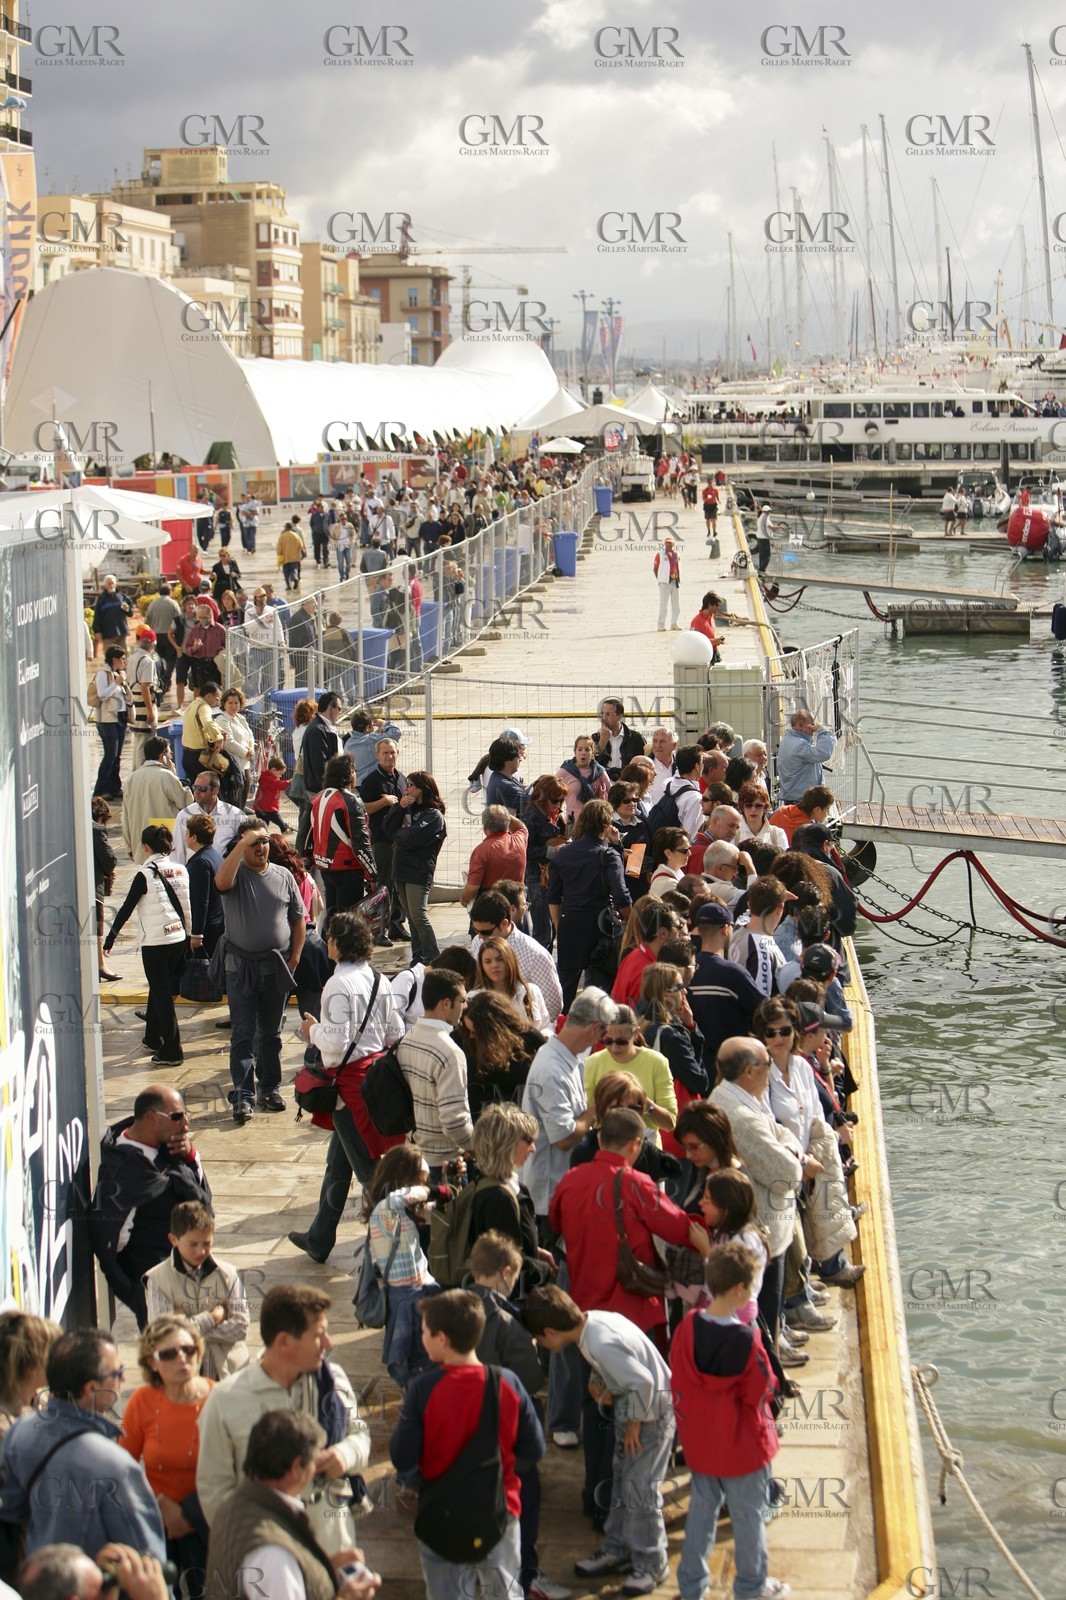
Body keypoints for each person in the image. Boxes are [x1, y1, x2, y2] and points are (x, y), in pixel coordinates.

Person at [390, 1290, 545, 1600]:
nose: (422, 1338)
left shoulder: (422, 1390)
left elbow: (401, 1456)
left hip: (442, 1516)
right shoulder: (509, 1383)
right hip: (499, 1512)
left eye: (424, 1332)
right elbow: (535, 1449)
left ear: (442, 1339)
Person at [523, 1283, 675, 1597]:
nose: (538, 1343)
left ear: (550, 1331)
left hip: (650, 1414)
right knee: (621, 1478)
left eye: (538, 1338)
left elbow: (643, 1382)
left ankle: (652, 1560)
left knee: (639, 1489)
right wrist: (600, 1379)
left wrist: (635, 1421)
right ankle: (619, 1546)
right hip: (633, 1407)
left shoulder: (598, 1340)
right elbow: (621, 1360)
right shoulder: (590, 1325)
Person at [196, 1285, 371, 1555]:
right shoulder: (224, 1401)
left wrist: (345, 1454)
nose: (328, 1344)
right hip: (266, 1557)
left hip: (332, 1549)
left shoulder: (333, 1379)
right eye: (318, 1336)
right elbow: (213, 1490)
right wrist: (250, 1544)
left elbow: (360, 1436)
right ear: (283, 1343)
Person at [671, 1243, 790, 1600]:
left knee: (702, 1514)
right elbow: (762, 1389)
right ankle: (752, 1587)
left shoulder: (689, 1326)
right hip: (742, 1449)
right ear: (739, 1289)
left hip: (703, 1445)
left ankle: (692, 1586)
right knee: (749, 1518)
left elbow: (678, 1373)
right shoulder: (747, 1339)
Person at [289, 912, 405, 1264]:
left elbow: (336, 1042)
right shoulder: (377, 978)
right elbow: (394, 1032)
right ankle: (319, 1237)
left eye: (329, 937)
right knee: (337, 1165)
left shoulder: (337, 985)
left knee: (369, 1172)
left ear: (338, 943)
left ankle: (399, 1244)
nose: (326, 942)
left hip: (347, 1092)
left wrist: (312, 1032)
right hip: (371, 1082)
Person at [0, 1331, 166, 1561]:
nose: (124, 1380)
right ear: (90, 1389)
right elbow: (148, 1563)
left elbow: (12, 1515)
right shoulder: (115, 1467)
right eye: (117, 1373)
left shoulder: (19, 1432)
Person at [468, 1233, 568, 1600]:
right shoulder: (507, 1324)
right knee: (523, 1509)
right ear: (506, 1273)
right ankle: (527, 1578)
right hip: (508, 1441)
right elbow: (531, 1378)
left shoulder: (453, 1307)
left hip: (465, 1439)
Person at [205, 1410, 381, 1600]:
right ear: (296, 1467)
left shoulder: (234, 1504)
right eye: (314, 1459)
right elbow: (279, 1574)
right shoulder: (274, 1556)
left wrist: (322, 1570)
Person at [90, 1084, 211, 1328]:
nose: (185, 1125)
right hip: (158, 1293)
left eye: (186, 1116)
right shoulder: (124, 1171)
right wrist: (136, 1295)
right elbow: (110, 1245)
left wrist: (190, 1156)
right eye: (177, 1117)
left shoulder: (169, 1146)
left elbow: (204, 1205)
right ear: (151, 1118)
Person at [710, 1038, 805, 1342]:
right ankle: (771, 1375)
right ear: (750, 1071)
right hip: (764, 1233)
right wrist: (795, 1153)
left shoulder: (736, 1097)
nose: (770, 1069)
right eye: (766, 1065)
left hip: (764, 1230)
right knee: (764, 1318)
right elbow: (788, 1173)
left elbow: (780, 1131)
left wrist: (788, 1145)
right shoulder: (741, 1116)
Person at [215, 818, 307, 1124]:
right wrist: (243, 842)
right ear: (242, 846)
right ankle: (243, 1095)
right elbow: (220, 883)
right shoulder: (235, 874)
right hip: (240, 969)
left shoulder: (283, 875)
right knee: (243, 1033)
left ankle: (270, 1087)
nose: (261, 847)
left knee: (271, 1034)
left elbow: (298, 920)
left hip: (276, 967)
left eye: (264, 841)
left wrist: (294, 958)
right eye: (254, 842)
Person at [119, 1315, 214, 1597]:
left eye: (189, 1349)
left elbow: (236, 1470)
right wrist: (161, 1503)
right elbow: (123, 1466)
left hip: (207, 1522)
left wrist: (190, 1513)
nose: (182, 1359)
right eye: (169, 1354)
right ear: (152, 1363)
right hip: (155, 1521)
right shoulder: (142, 1401)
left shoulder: (219, 1398)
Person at [104, 825, 190, 1066]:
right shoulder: (181, 869)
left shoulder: (144, 874)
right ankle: (152, 1037)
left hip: (155, 942)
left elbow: (126, 908)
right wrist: (191, 934)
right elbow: (187, 905)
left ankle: (172, 1050)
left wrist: (109, 939)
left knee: (161, 994)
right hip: (178, 938)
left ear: (145, 846)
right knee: (159, 988)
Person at [362, 1144, 444, 1389]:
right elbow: (405, 1197)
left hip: (419, 1292)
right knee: (417, 1361)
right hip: (405, 1298)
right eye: (420, 1181)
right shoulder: (386, 1210)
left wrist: (453, 1178)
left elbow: (437, 1213)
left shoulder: (401, 1212)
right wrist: (437, 1190)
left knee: (426, 1357)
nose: (423, 1186)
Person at [547, 799, 632, 1010]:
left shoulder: (563, 853)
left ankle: (562, 1028)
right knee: (599, 989)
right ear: (605, 825)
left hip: (571, 924)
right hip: (601, 925)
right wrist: (631, 922)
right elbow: (621, 895)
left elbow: (554, 897)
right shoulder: (609, 854)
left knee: (565, 989)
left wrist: (559, 927)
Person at [397, 967, 473, 1184]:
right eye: (462, 1001)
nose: (465, 1007)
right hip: (443, 1164)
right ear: (445, 1003)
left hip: (413, 1156)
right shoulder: (449, 1052)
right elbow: (454, 1121)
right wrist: (478, 1147)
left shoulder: (408, 1039)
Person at [688, 902, 765, 1077]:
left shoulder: (685, 972)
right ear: (725, 930)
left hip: (695, 1068)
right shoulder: (735, 974)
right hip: (733, 1069)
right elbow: (764, 1012)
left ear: (699, 931)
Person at [380, 769, 447, 962]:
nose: (406, 788)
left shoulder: (434, 815)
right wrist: (399, 808)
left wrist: (398, 835)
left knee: (419, 915)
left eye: (410, 785)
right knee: (411, 917)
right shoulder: (406, 808)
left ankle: (434, 958)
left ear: (422, 789)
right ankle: (418, 957)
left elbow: (412, 837)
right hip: (400, 867)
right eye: (406, 784)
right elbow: (387, 828)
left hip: (419, 870)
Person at [470, 889, 564, 1023]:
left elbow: (553, 1007)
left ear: (504, 923)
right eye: (476, 930)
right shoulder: (478, 942)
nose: (479, 936)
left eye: (485, 932)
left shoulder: (535, 955)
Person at [583, 1009, 676, 1146]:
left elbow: (669, 1123)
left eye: (621, 1042)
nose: (614, 1048)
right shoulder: (592, 1063)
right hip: (607, 1146)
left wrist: (645, 1104)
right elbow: (586, 1117)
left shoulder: (656, 1062)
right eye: (607, 1041)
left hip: (645, 1148)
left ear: (636, 1034)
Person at [636, 963, 709, 1134]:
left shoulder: (642, 1024)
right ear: (664, 994)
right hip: (673, 1127)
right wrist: (692, 1028)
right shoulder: (670, 1037)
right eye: (679, 987)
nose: (685, 992)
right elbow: (700, 1081)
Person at [311, 753, 374, 928]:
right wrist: (372, 874)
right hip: (348, 868)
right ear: (349, 773)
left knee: (331, 917)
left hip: (326, 867)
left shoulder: (317, 797)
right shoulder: (351, 801)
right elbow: (361, 841)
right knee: (347, 922)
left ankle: (327, 953)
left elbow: (305, 835)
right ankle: (341, 954)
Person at [359, 737, 409, 945]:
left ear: (398, 753)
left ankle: (397, 924)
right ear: (377, 755)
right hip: (382, 841)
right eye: (385, 753)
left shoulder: (402, 778)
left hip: (401, 840)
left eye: (392, 752)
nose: (390, 756)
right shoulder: (371, 781)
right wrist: (384, 801)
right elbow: (365, 809)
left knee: (399, 885)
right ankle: (380, 931)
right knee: (384, 887)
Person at [520, 777, 567, 949]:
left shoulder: (555, 815)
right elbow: (525, 849)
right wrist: (554, 851)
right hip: (536, 878)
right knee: (542, 931)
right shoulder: (531, 818)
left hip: (550, 876)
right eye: (555, 800)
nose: (559, 804)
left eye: (562, 800)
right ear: (542, 797)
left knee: (550, 928)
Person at [729, 876, 796, 997]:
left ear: (749, 904)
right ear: (780, 908)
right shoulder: (762, 948)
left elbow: (747, 914)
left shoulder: (738, 927)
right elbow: (761, 1002)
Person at [471, 936, 550, 1034]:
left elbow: (547, 1026)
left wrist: (544, 1036)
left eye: (500, 959)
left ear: (510, 960)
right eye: (488, 962)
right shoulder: (473, 999)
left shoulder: (531, 991)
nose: (494, 965)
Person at [172, 770, 244, 866]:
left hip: (225, 876)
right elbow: (178, 852)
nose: (196, 792)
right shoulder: (184, 815)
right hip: (193, 876)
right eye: (195, 787)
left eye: (202, 789)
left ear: (215, 790)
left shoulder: (236, 816)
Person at [461, 807, 529, 907]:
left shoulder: (481, 851)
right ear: (507, 824)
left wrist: (464, 899)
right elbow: (521, 827)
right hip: (516, 904)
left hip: (491, 908)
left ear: (485, 828)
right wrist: (504, 816)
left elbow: (472, 888)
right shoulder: (519, 840)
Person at [184, 813, 225, 960]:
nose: (185, 836)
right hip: (217, 923)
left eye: (187, 833)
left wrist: (196, 934)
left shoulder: (200, 862)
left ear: (194, 837)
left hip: (208, 929)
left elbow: (201, 900)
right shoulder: (215, 856)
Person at [776, 711, 837, 805]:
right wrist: (822, 731)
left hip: (793, 796)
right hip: (801, 800)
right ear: (801, 725)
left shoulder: (787, 739)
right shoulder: (799, 745)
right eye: (811, 724)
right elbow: (823, 753)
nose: (813, 729)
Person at [92, 644, 128, 800]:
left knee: (117, 755)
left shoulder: (117, 673)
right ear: (115, 659)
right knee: (110, 754)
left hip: (120, 716)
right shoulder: (103, 673)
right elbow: (102, 695)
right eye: (122, 659)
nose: (125, 661)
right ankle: (100, 789)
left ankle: (114, 786)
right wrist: (117, 683)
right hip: (107, 719)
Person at [181, 681, 226, 787]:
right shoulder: (204, 707)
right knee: (206, 790)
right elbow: (207, 722)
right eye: (217, 699)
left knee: (194, 790)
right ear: (209, 696)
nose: (217, 703)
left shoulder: (192, 706)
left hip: (187, 756)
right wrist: (218, 738)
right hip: (199, 757)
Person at [556, 736, 610, 824]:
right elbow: (551, 790)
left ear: (593, 753)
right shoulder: (565, 771)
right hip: (573, 823)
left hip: (596, 821)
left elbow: (612, 792)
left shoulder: (599, 771)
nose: (583, 753)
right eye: (580, 749)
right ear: (575, 752)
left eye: (587, 750)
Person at [215, 687, 255, 805]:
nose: (233, 706)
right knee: (234, 798)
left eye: (236, 703)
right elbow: (228, 742)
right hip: (233, 765)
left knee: (243, 796)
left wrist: (251, 749)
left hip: (245, 763)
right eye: (230, 703)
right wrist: (246, 752)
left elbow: (250, 735)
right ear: (224, 704)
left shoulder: (240, 718)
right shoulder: (222, 720)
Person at [244, 589, 286, 698]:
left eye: (264, 596)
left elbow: (278, 628)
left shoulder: (272, 610)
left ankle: (267, 706)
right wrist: (259, 616)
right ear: (255, 599)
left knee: (268, 680)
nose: (263, 599)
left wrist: (282, 643)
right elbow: (248, 631)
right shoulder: (249, 612)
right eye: (260, 597)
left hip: (270, 648)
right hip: (255, 648)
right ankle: (253, 704)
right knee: (253, 679)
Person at [343, 710, 403, 785]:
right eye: (372, 726)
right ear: (367, 727)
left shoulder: (348, 744)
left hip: (356, 783)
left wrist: (377, 732)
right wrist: (384, 724)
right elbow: (396, 733)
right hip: (373, 783)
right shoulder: (372, 740)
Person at [594, 697, 646, 780]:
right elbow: (590, 765)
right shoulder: (595, 738)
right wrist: (602, 743)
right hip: (603, 784)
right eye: (602, 713)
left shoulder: (635, 738)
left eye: (608, 714)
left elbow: (644, 763)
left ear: (619, 716)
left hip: (628, 784)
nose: (604, 717)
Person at [769, 783, 836, 846]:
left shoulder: (781, 810)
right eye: (827, 809)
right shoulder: (809, 832)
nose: (827, 814)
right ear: (817, 810)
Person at [736, 782, 789, 853]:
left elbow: (783, 861)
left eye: (758, 806)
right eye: (748, 805)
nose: (753, 810)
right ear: (742, 807)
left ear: (765, 808)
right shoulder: (734, 833)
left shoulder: (777, 833)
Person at [484, 736, 529, 814]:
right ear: (507, 761)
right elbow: (534, 804)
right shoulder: (505, 786)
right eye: (518, 756)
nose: (520, 759)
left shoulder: (498, 776)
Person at [92, 573, 132, 654]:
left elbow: (130, 613)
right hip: (108, 634)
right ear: (105, 585)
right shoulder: (102, 599)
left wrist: (127, 609)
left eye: (112, 583)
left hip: (122, 632)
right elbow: (97, 616)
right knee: (110, 657)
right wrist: (98, 631)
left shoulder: (123, 597)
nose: (111, 585)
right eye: (109, 583)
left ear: (115, 584)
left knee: (124, 656)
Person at [647, 826, 691, 900]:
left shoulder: (674, 872)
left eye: (689, 848)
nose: (689, 853)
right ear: (668, 853)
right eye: (685, 850)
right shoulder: (668, 884)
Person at [252, 754, 290, 831]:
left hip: (262, 808)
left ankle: (262, 837)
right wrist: (291, 782)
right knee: (279, 823)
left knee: (263, 827)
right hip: (268, 809)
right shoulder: (268, 779)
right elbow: (280, 785)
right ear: (273, 770)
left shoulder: (267, 777)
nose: (280, 777)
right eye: (280, 774)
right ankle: (284, 829)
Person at [653, 535, 681, 630]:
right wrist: (660, 579)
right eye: (667, 543)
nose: (669, 545)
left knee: (676, 605)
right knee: (663, 605)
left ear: (673, 544)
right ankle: (661, 625)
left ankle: (674, 623)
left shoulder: (676, 554)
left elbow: (677, 566)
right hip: (664, 582)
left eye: (670, 543)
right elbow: (655, 568)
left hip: (675, 581)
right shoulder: (660, 554)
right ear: (665, 544)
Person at [689, 591, 724, 660]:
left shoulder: (711, 617)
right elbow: (694, 641)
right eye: (717, 605)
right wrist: (714, 642)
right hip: (704, 656)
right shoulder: (696, 621)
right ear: (710, 605)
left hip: (714, 653)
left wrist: (717, 641)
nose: (718, 607)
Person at [277, 520, 307, 592]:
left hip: (285, 558)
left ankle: (288, 586)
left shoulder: (282, 536)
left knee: (286, 573)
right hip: (295, 557)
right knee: (294, 569)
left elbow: (279, 547)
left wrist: (279, 554)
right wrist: (303, 554)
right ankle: (295, 578)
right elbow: (301, 545)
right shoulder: (296, 535)